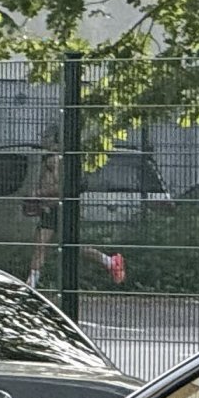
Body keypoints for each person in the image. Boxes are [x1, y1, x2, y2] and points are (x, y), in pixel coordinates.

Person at [25, 124, 126, 289]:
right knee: (43, 246)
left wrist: (38, 193)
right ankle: (31, 283)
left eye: (47, 136)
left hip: (59, 209)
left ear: (55, 139)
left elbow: (62, 187)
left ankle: (109, 261)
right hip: (50, 209)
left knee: (67, 246)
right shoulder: (50, 158)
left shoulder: (56, 159)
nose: (43, 139)